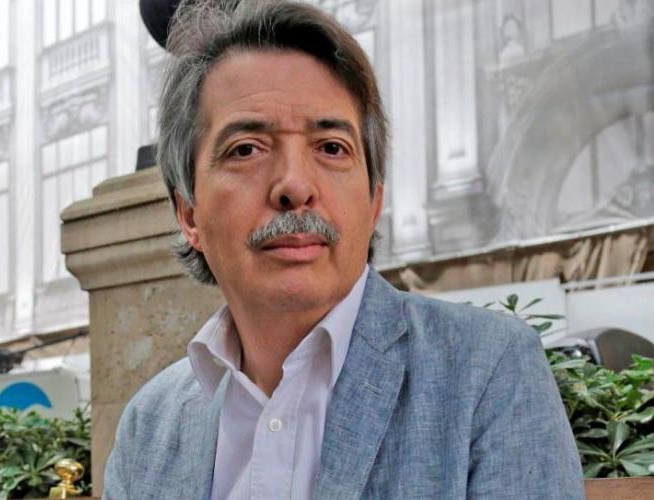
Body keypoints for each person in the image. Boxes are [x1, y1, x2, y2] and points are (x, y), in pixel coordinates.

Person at [104, 1, 584, 498]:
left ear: (374, 202)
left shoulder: (486, 371)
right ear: (189, 215)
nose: (295, 186)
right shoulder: (149, 427)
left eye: (331, 147)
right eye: (246, 149)